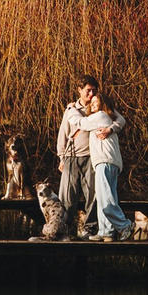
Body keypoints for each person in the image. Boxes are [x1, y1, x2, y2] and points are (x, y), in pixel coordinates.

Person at [41, 79, 99, 240]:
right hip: (72, 157)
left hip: (91, 157)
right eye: (88, 90)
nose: (91, 94)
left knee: (93, 195)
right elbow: (63, 134)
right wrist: (61, 157)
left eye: (94, 90)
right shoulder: (71, 109)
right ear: (80, 90)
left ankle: (90, 229)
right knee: (67, 196)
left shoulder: (97, 108)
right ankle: (63, 228)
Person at [82, 88, 130, 240]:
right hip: (108, 162)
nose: (93, 104)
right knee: (105, 196)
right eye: (93, 102)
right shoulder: (107, 118)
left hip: (105, 161)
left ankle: (125, 226)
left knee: (105, 198)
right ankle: (106, 231)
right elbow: (120, 119)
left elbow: (80, 122)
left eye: (97, 102)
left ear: (103, 105)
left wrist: (71, 110)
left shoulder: (101, 116)